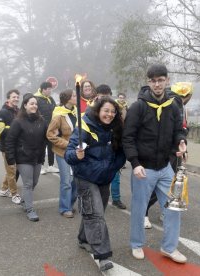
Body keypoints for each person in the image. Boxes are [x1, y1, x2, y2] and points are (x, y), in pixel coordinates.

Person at [122, 64, 188, 263]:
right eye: (153, 80)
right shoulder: (138, 106)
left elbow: (179, 129)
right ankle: (136, 244)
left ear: (167, 80)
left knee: (173, 208)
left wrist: (181, 141)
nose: (157, 84)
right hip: (144, 169)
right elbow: (128, 137)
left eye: (161, 80)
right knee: (139, 209)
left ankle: (169, 247)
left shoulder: (173, 105)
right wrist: (135, 163)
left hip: (165, 168)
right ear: (148, 82)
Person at [65, 97, 126, 272]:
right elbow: (69, 153)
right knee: (96, 215)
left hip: (105, 177)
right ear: (98, 110)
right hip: (85, 177)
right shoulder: (84, 126)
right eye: (106, 110)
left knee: (93, 212)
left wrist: (113, 167)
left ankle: (83, 239)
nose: (110, 114)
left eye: (113, 112)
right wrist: (76, 155)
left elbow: (121, 153)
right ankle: (103, 255)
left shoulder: (116, 128)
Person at [144, 83, 193, 229]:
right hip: (167, 153)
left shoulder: (181, 107)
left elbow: (180, 130)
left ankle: (165, 211)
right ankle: (143, 214)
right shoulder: (174, 103)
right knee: (160, 185)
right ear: (187, 96)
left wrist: (183, 141)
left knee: (170, 186)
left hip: (175, 151)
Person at [5, 93, 47, 222]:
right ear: (25, 105)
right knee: (28, 184)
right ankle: (30, 209)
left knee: (34, 182)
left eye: (35, 104)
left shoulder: (42, 121)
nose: (34, 106)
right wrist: (11, 159)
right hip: (23, 157)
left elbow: (46, 138)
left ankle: (24, 201)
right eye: (31, 103)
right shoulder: (18, 122)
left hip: (37, 157)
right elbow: (10, 140)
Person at [46, 89, 77, 218]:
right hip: (62, 152)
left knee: (77, 180)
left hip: (77, 152)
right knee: (66, 181)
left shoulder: (76, 112)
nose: (77, 97)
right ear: (68, 99)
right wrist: (67, 144)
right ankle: (65, 208)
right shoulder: (58, 114)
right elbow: (50, 134)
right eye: (74, 95)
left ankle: (69, 203)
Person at [0, 89, 21, 204]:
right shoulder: (2, 112)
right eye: (13, 97)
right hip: (7, 147)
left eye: (17, 97)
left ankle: (3, 189)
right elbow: (0, 131)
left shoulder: (19, 111)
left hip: (18, 146)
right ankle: (14, 194)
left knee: (10, 170)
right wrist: (14, 129)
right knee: (12, 171)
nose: (16, 99)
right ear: (8, 99)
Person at [34, 81, 58, 174]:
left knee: (51, 147)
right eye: (49, 89)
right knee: (41, 147)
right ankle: (41, 165)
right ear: (43, 89)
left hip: (51, 127)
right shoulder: (36, 99)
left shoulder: (51, 99)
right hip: (40, 127)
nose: (50, 91)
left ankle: (51, 165)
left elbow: (56, 110)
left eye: (51, 89)